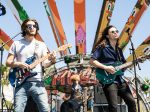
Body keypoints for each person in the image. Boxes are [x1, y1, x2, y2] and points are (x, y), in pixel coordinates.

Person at [6, 18, 56, 112]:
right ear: (24, 29)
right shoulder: (16, 44)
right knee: (18, 110)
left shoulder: (41, 45)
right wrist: (20, 64)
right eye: (29, 26)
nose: (32, 28)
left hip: (38, 83)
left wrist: (52, 60)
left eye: (34, 26)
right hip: (21, 83)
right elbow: (8, 62)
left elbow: (44, 64)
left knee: (45, 109)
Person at [90, 25, 136, 112]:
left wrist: (134, 62)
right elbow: (92, 61)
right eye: (113, 32)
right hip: (109, 81)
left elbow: (123, 65)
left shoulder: (119, 50)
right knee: (114, 107)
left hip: (120, 80)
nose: (115, 33)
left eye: (116, 31)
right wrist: (106, 67)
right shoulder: (102, 47)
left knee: (132, 102)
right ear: (107, 36)